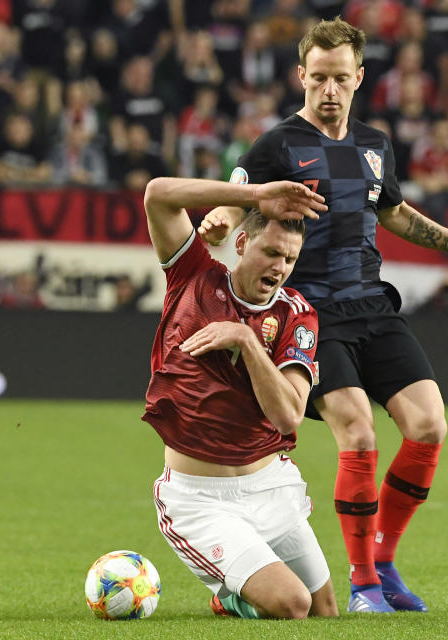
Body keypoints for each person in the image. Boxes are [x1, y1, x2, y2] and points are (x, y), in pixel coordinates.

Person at [198, 17, 448, 613]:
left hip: (372, 303)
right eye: (317, 77)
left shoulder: (374, 146)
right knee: (359, 432)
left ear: (359, 78)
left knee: (429, 425)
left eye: (339, 79)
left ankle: (385, 560)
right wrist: (219, 215)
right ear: (300, 76)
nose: (328, 90)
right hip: (310, 313)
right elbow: (234, 193)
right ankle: (363, 583)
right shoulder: (278, 145)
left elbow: (396, 214)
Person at [142, 175, 337, 620]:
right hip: (199, 498)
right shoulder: (191, 276)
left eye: (290, 258)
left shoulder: (296, 315)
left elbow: (290, 416)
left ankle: (237, 592)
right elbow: (157, 195)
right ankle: (230, 595)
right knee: (293, 604)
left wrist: (246, 342)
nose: (280, 267)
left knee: (325, 612)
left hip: (269, 485)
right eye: (271, 252)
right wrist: (253, 195)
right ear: (243, 242)